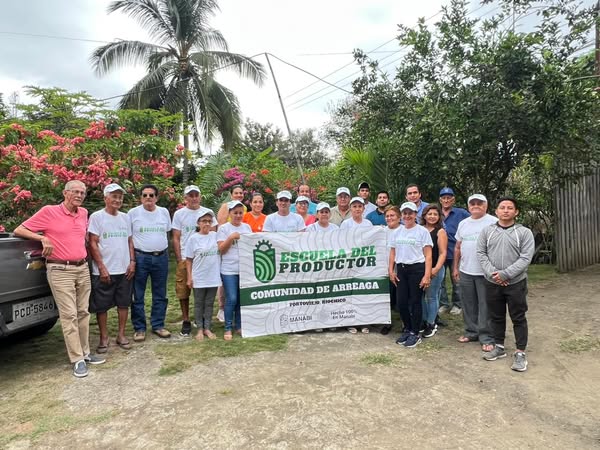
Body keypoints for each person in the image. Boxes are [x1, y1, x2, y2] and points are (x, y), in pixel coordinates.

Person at [14, 180, 105, 378]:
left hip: (82, 268)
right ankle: (77, 359)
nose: (79, 195)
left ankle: (85, 353)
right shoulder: (49, 211)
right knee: (69, 315)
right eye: (75, 192)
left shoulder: (83, 213)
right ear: (65, 193)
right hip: (59, 269)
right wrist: (42, 238)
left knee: (83, 312)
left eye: (82, 192)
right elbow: (19, 230)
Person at [477, 197, 535, 372]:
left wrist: (505, 274)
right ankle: (499, 347)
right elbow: (481, 253)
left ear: (516, 212)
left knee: (518, 317)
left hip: (515, 283)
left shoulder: (524, 232)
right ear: (496, 211)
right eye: (502, 207)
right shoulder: (487, 231)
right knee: (496, 316)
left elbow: (525, 258)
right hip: (492, 282)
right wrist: (493, 274)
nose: (506, 210)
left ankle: (520, 352)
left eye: (510, 208)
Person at [88, 183, 136, 353]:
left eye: (120, 197)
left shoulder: (125, 217)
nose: (118, 200)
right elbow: (92, 242)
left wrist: (132, 261)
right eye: (114, 196)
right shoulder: (97, 217)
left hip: (124, 270)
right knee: (102, 306)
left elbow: (129, 240)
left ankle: (121, 335)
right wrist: (101, 267)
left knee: (123, 304)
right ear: (105, 198)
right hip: (104, 271)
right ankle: (104, 337)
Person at [453, 194, 497, 352]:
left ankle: (487, 336)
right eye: (473, 203)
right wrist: (455, 267)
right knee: (468, 303)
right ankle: (471, 331)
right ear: (468, 206)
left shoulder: (493, 222)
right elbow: (458, 247)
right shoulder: (463, 223)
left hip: (486, 272)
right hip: (466, 270)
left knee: (486, 305)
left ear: (486, 205)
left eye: (480, 203)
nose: (476, 205)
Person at [171, 185, 217, 337]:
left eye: (196, 195)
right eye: (190, 195)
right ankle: (186, 320)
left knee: (203, 292)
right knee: (184, 291)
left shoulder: (208, 212)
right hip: (186, 257)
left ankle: (202, 321)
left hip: (204, 258)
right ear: (185, 198)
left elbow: (213, 234)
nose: (194, 198)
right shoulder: (179, 214)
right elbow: (176, 237)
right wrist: (180, 258)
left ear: (200, 196)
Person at [128, 184, 172, 341]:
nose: (148, 198)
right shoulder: (133, 213)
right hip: (141, 257)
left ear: (156, 198)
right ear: (140, 198)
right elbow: (129, 239)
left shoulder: (164, 212)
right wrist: (132, 259)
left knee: (160, 293)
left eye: (151, 195)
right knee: (138, 294)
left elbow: (167, 232)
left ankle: (158, 325)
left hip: (161, 257)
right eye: (145, 195)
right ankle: (139, 328)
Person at [389, 202, 433, 348]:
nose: (407, 216)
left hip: (417, 269)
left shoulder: (422, 231)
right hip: (401, 269)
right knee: (401, 302)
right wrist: (391, 270)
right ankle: (407, 329)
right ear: (401, 215)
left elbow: (428, 255)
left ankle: (415, 332)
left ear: (415, 214)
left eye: (410, 213)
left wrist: (427, 275)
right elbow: (392, 252)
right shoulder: (397, 232)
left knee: (415, 302)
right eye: (405, 213)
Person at [217, 200, 253, 340]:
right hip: (228, 269)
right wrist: (231, 238)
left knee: (240, 298)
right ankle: (227, 327)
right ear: (230, 213)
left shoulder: (247, 228)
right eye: (235, 213)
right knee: (231, 298)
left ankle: (239, 326)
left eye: (240, 213)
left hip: (244, 269)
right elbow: (221, 250)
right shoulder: (224, 229)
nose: (238, 215)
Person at [185, 211, 221, 341]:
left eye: (209, 221)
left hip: (213, 276)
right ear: (198, 223)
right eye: (204, 221)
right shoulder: (193, 239)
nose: (207, 224)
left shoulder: (216, 236)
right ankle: (199, 328)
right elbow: (189, 260)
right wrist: (189, 277)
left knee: (209, 303)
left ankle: (207, 328)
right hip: (199, 276)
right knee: (199, 303)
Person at [340, 197, 373, 334]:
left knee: (363, 292)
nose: (357, 209)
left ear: (364, 209)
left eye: (360, 206)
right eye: (354, 206)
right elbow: (341, 242)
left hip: (364, 263)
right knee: (350, 293)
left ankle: (364, 321)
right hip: (350, 263)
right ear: (350, 208)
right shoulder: (346, 224)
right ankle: (351, 322)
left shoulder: (368, 223)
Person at [438, 187, 470, 316]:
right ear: (440, 200)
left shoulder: (461, 213)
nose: (446, 200)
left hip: (455, 251)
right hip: (439, 253)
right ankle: (443, 304)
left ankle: (458, 304)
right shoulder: (436, 213)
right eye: (444, 198)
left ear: (453, 199)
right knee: (440, 281)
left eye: (449, 198)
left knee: (456, 279)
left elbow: (472, 221)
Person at [420, 204, 448, 339]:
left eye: (435, 214)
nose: (432, 216)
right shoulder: (419, 229)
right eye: (429, 214)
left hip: (434, 268)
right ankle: (424, 320)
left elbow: (443, 253)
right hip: (420, 268)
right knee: (420, 297)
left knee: (431, 296)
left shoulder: (440, 232)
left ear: (439, 217)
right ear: (424, 215)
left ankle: (431, 323)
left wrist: (436, 268)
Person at [380, 205, 401, 335]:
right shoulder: (381, 231)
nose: (389, 218)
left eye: (392, 215)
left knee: (403, 297)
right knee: (386, 298)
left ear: (399, 217)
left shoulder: (404, 230)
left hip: (401, 269)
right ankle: (387, 322)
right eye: (387, 216)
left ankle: (405, 322)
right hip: (384, 268)